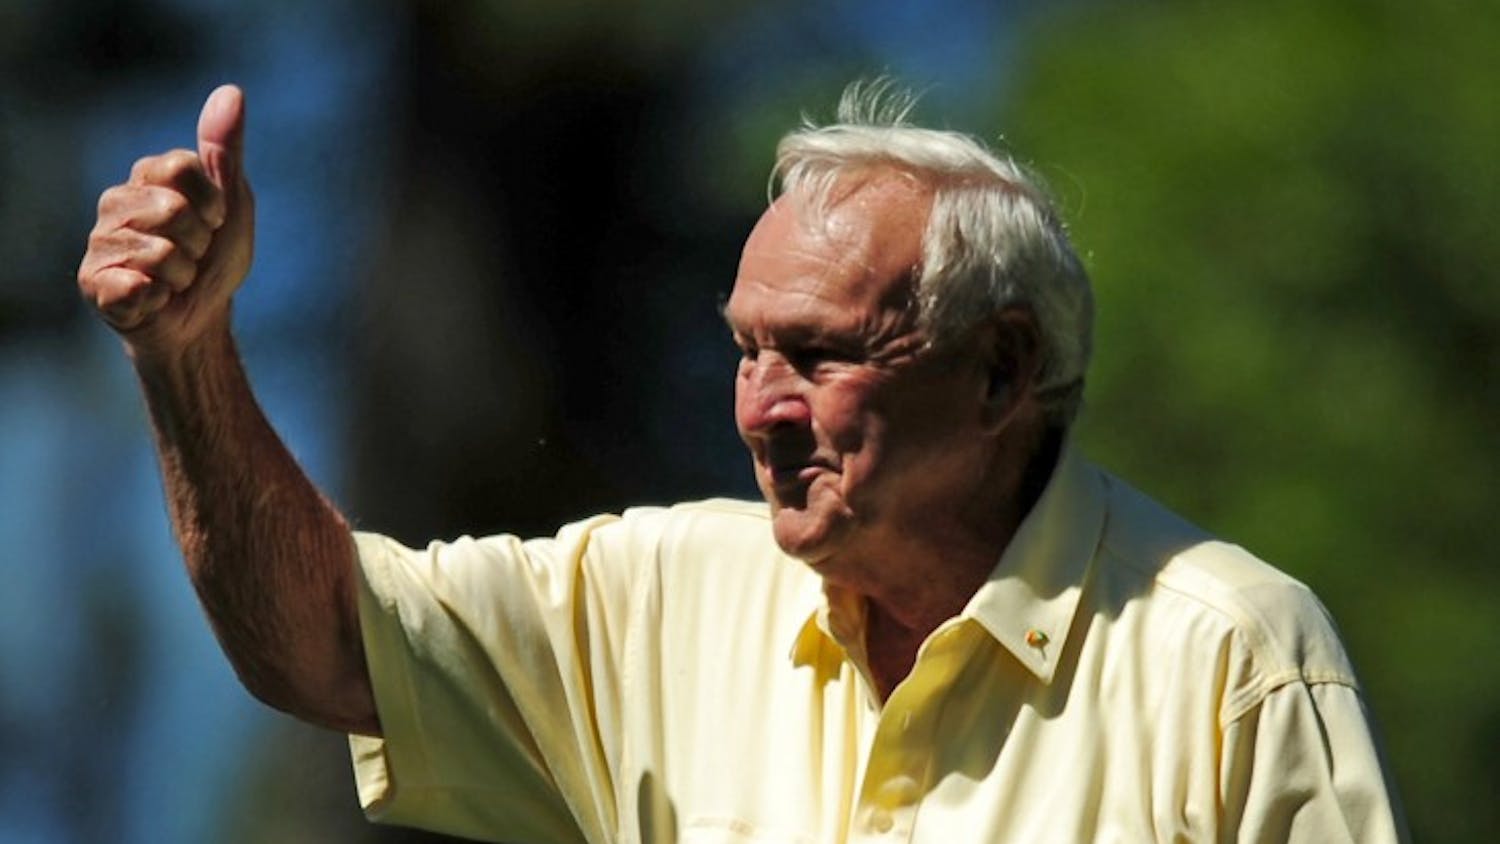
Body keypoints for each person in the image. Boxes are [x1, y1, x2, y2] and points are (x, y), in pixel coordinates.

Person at [78, 81, 1408, 843]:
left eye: (818, 356)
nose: (760, 408)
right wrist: (186, 352)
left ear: (1003, 371)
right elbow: (315, 645)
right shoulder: (661, 593)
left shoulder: (1229, 654)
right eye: (742, 351)